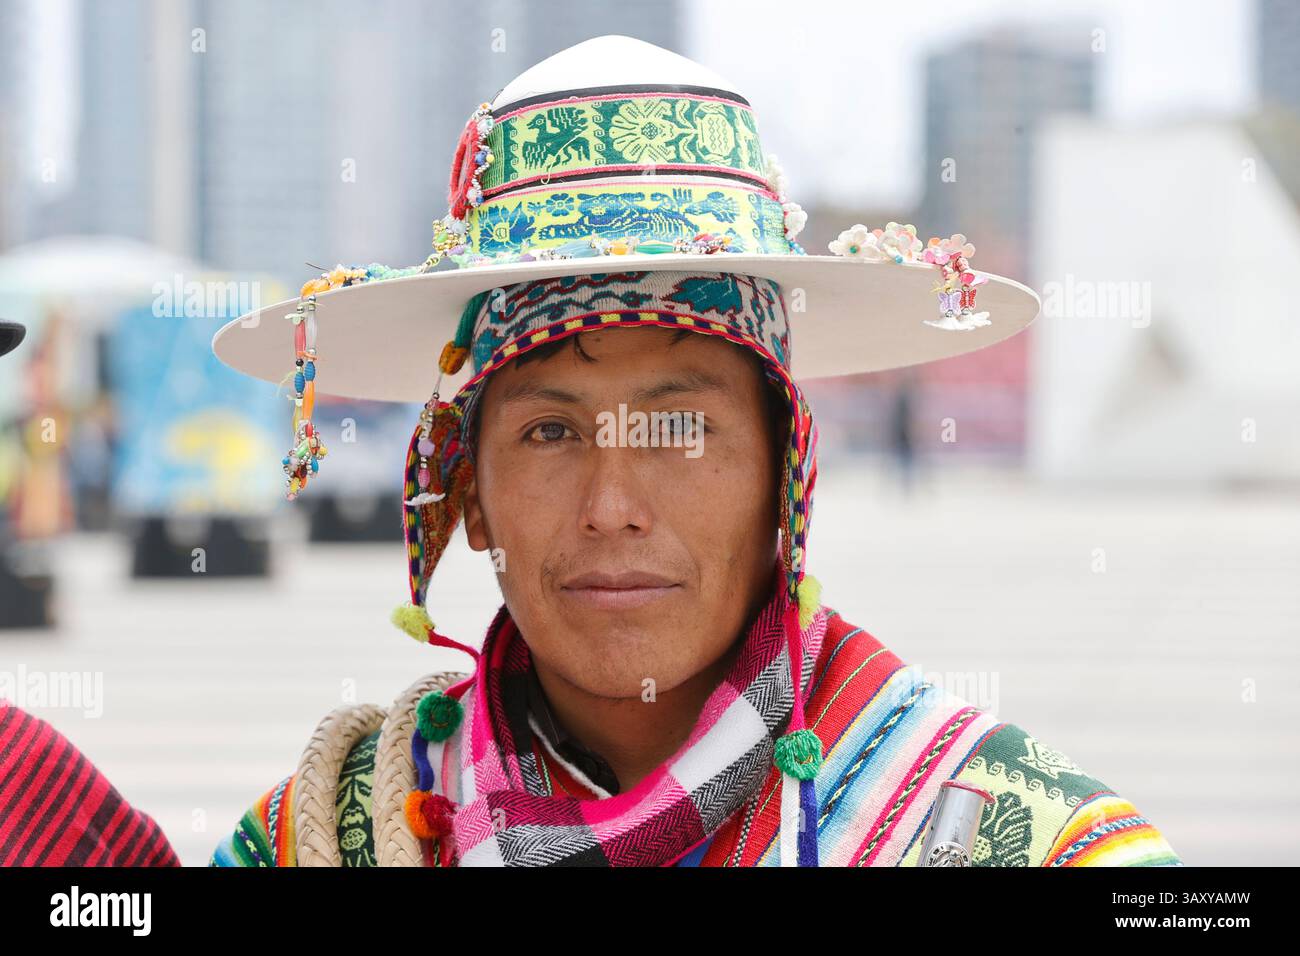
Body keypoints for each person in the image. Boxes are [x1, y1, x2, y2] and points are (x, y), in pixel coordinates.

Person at [209, 36, 1180, 867]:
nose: (612, 503)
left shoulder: (1008, 835)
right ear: (464, 493)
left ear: (786, 477)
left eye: (679, 428)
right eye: (550, 431)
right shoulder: (338, 829)